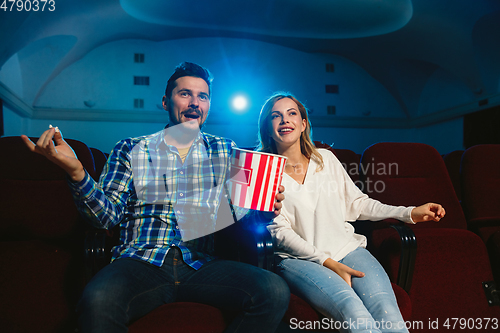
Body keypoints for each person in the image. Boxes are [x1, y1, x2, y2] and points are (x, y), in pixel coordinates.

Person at [22, 62, 290, 333]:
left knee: (273, 291)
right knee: (98, 300)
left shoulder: (224, 150)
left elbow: (240, 216)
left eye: (202, 96)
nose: (194, 103)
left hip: (202, 264)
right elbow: (105, 218)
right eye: (184, 94)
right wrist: (78, 172)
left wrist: (264, 211)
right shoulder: (130, 148)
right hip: (140, 262)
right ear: (165, 101)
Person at [257, 92, 446, 333]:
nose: (285, 120)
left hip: (346, 248)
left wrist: (408, 213)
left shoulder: (325, 159)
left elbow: (358, 204)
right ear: (267, 126)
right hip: (298, 260)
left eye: (292, 113)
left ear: (303, 124)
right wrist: (328, 263)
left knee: (387, 310)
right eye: (276, 116)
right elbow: (279, 233)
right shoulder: (263, 171)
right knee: (354, 313)